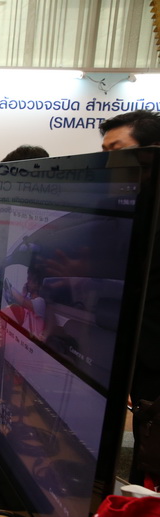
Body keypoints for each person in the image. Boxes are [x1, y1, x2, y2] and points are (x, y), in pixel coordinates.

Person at [100, 109, 160, 486]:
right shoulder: (129, 205)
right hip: (137, 358)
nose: (110, 163)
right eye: (105, 152)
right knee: (145, 448)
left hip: (154, 354)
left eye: (118, 151)